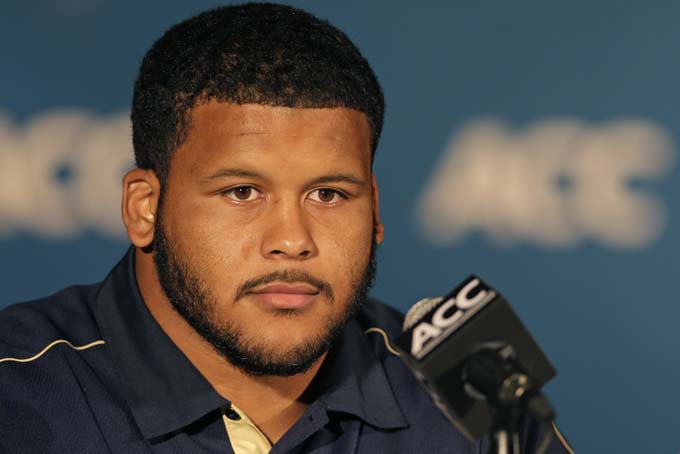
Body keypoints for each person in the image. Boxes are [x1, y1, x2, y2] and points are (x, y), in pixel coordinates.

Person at [0, 3, 572, 453]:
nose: (293, 239)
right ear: (144, 207)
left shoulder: (465, 383)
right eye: (242, 192)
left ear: (373, 209)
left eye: (328, 194)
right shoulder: (18, 390)